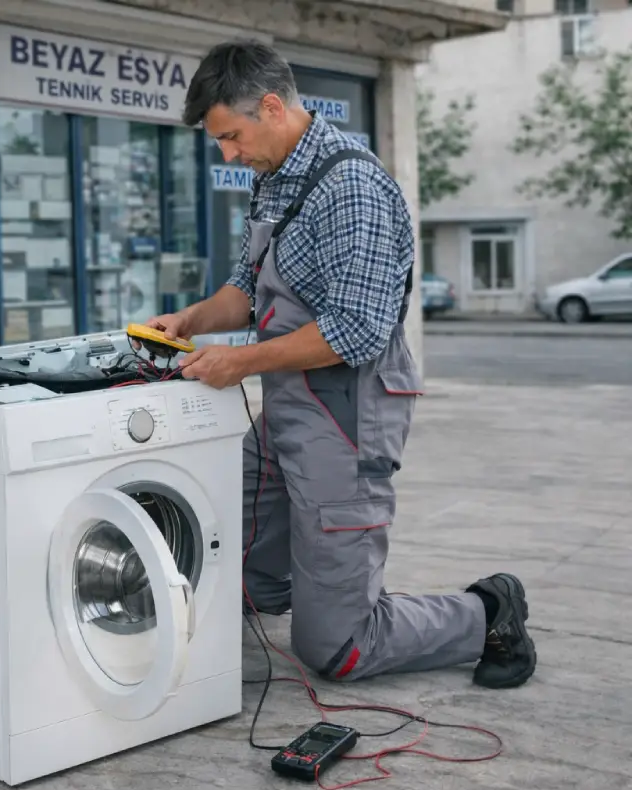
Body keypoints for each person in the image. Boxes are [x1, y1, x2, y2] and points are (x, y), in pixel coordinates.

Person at [142, 41, 535, 689]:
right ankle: (322, 583)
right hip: (290, 406)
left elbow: (354, 331)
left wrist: (237, 365)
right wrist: (188, 322)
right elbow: (246, 286)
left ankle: (486, 611)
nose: (229, 155)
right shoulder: (275, 176)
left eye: (232, 137)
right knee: (221, 550)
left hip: (348, 416)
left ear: (272, 107)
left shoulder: (351, 186)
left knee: (337, 647)